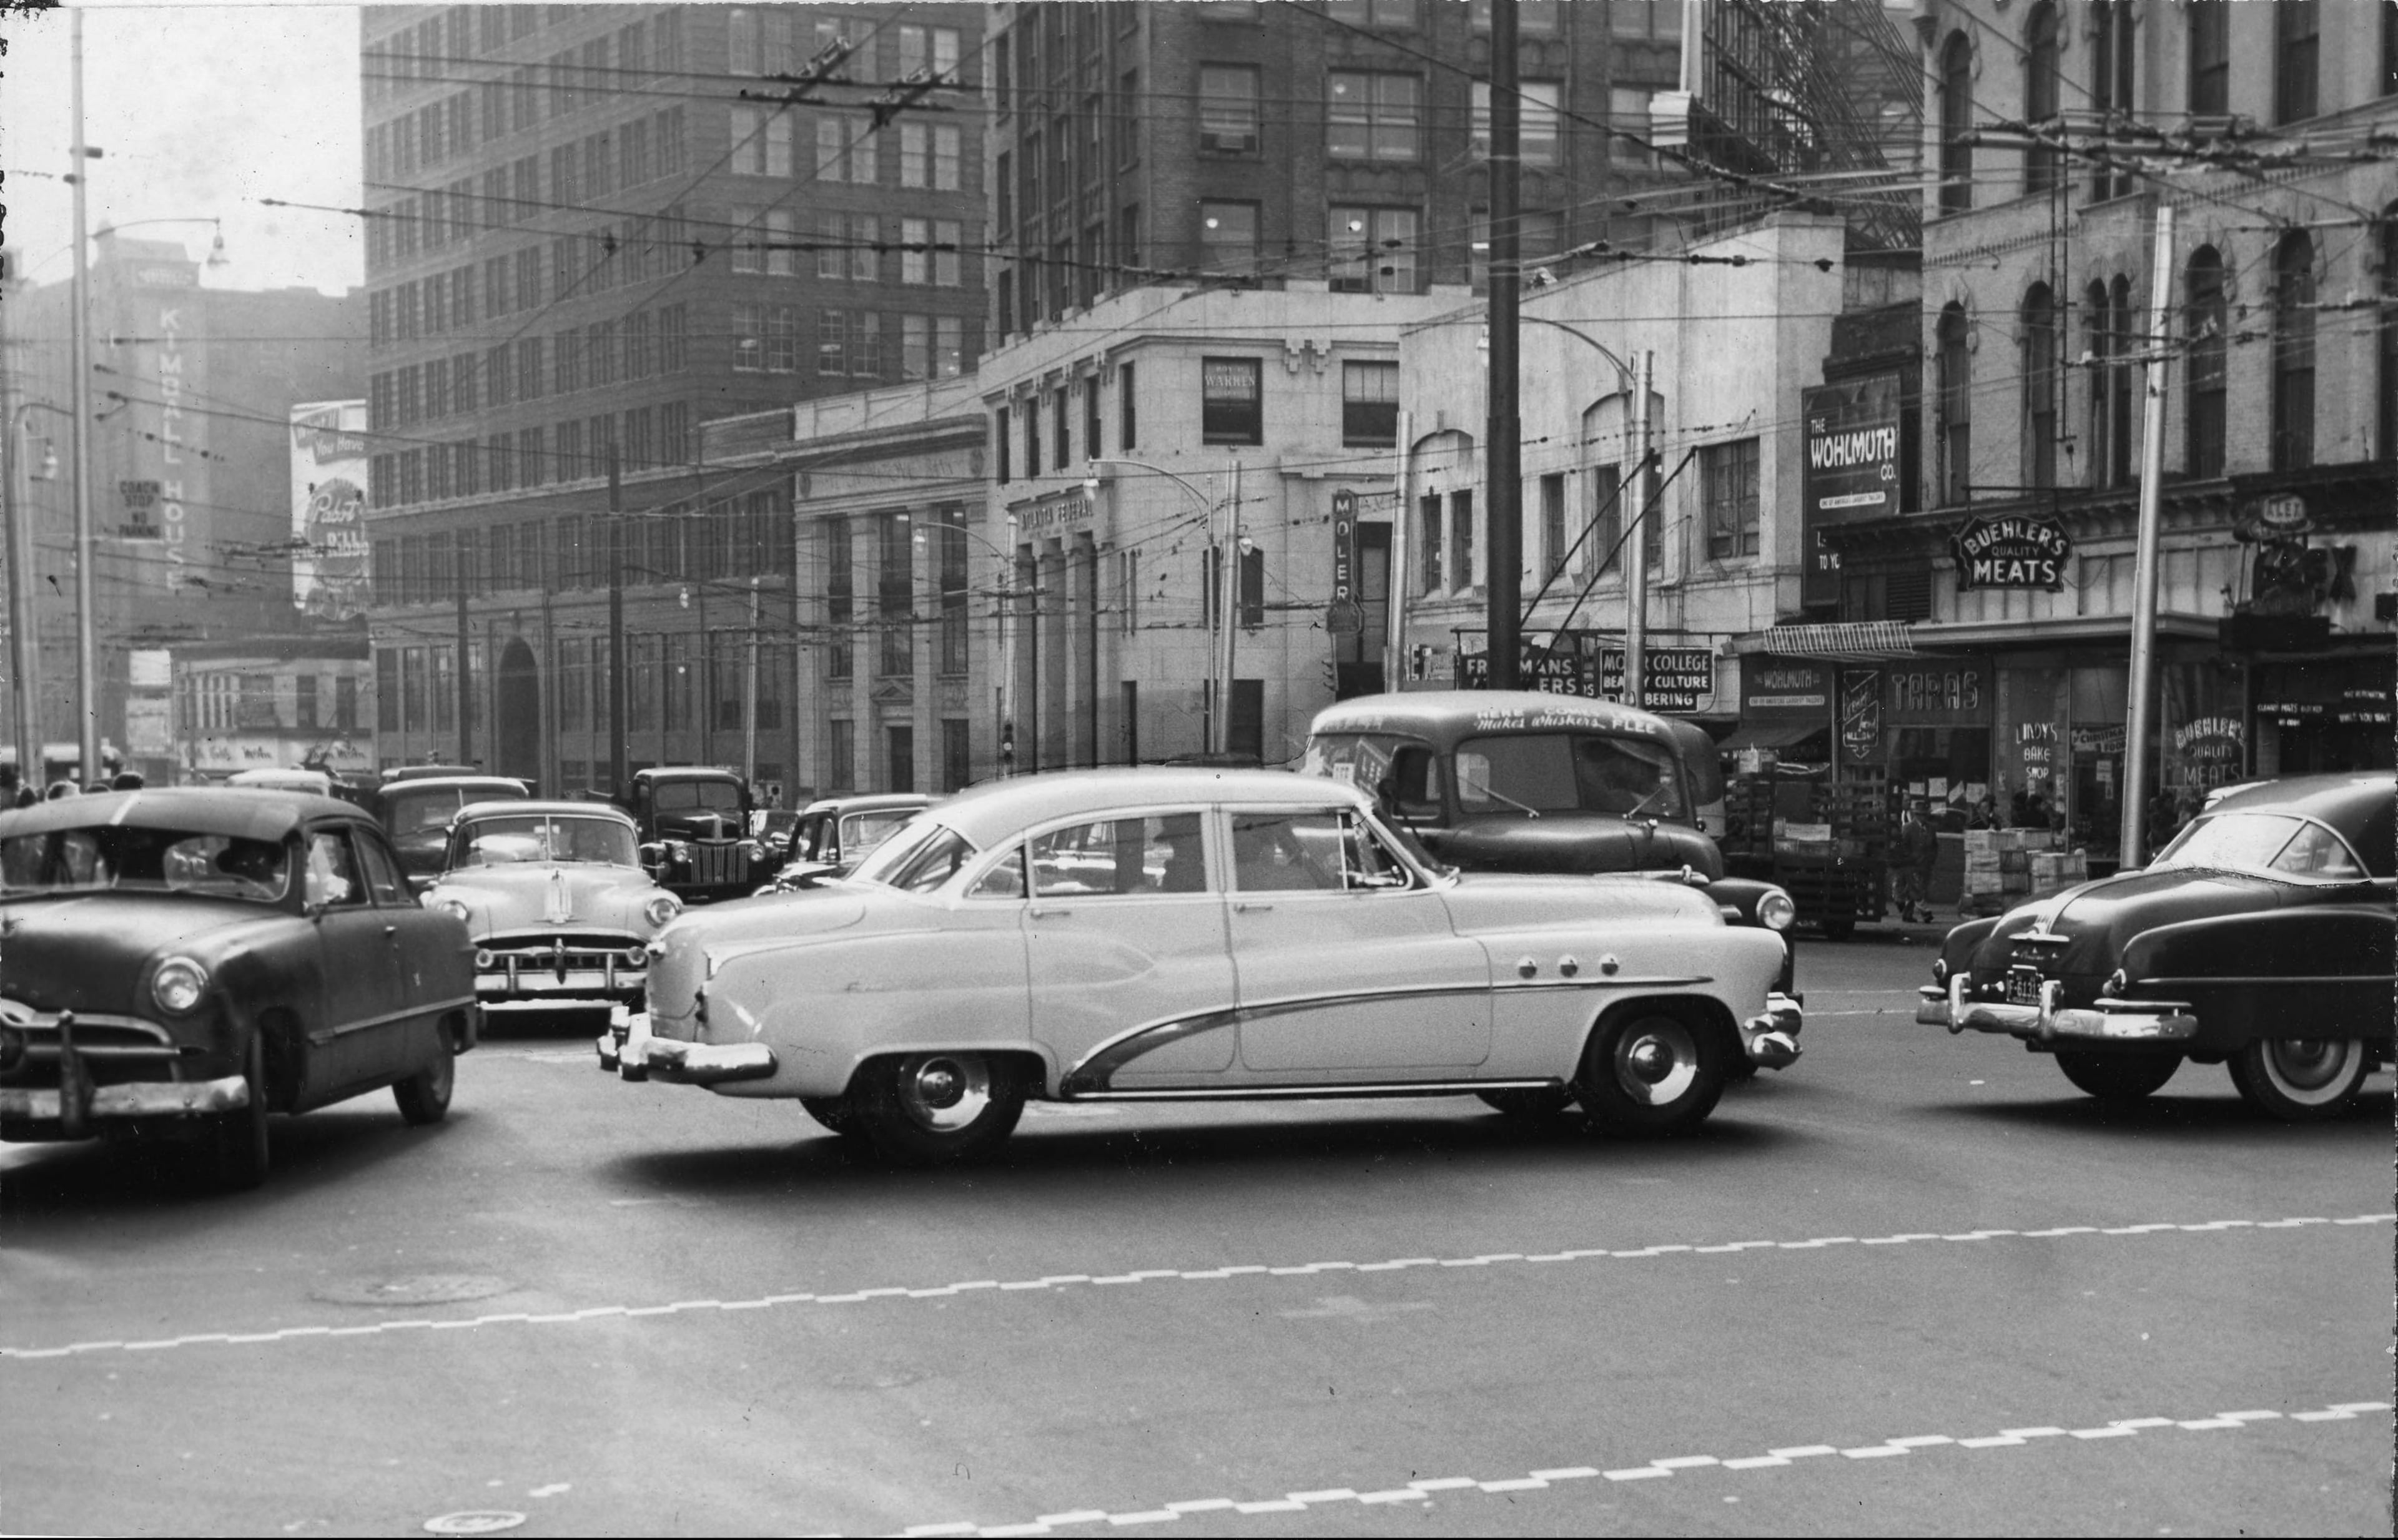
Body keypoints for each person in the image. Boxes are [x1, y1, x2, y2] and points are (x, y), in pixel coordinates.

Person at [1894, 801, 1938, 924]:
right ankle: (1925, 913)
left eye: (1925, 815)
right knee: (1916, 889)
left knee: (1918, 889)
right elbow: (1902, 846)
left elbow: (1935, 846)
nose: (1923, 817)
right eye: (1920, 815)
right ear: (1916, 815)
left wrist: (1932, 859)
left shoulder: (1931, 828)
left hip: (1926, 865)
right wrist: (1910, 858)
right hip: (1912, 864)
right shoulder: (1908, 828)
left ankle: (1907, 915)